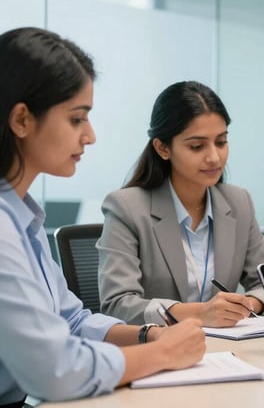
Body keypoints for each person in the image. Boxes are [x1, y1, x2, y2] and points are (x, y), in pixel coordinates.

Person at [0, 27, 205, 405]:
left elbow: (73, 322)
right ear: (22, 120)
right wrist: (162, 355)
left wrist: (149, 335)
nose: (90, 136)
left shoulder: (21, 217)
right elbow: (53, 371)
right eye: (77, 119)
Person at [97, 81, 264, 327]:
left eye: (221, 142)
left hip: (226, 351)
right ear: (162, 148)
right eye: (197, 146)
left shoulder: (238, 202)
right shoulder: (127, 208)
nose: (214, 157)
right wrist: (199, 313)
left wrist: (245, 305)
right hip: (158, 350)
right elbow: (118, 304)